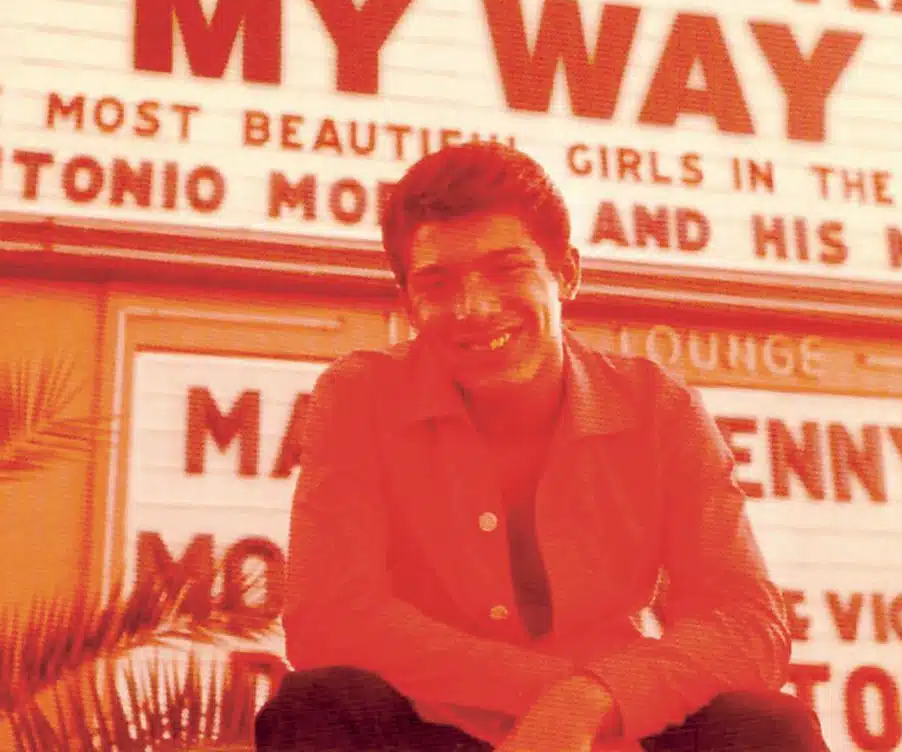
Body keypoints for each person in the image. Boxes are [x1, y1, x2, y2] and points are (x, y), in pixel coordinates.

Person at [255, 142, 829, 752]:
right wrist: (558, 691)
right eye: (437, 283)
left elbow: (747, 621)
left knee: (769, 726)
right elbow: (330, 617)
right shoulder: (360, 395)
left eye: (507, 270)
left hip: (612, 731)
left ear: (567, 274)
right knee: (315, 705)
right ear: (408, 303)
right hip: (437, 725)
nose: (475, 307)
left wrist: (596, 701)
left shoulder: (657, 407)